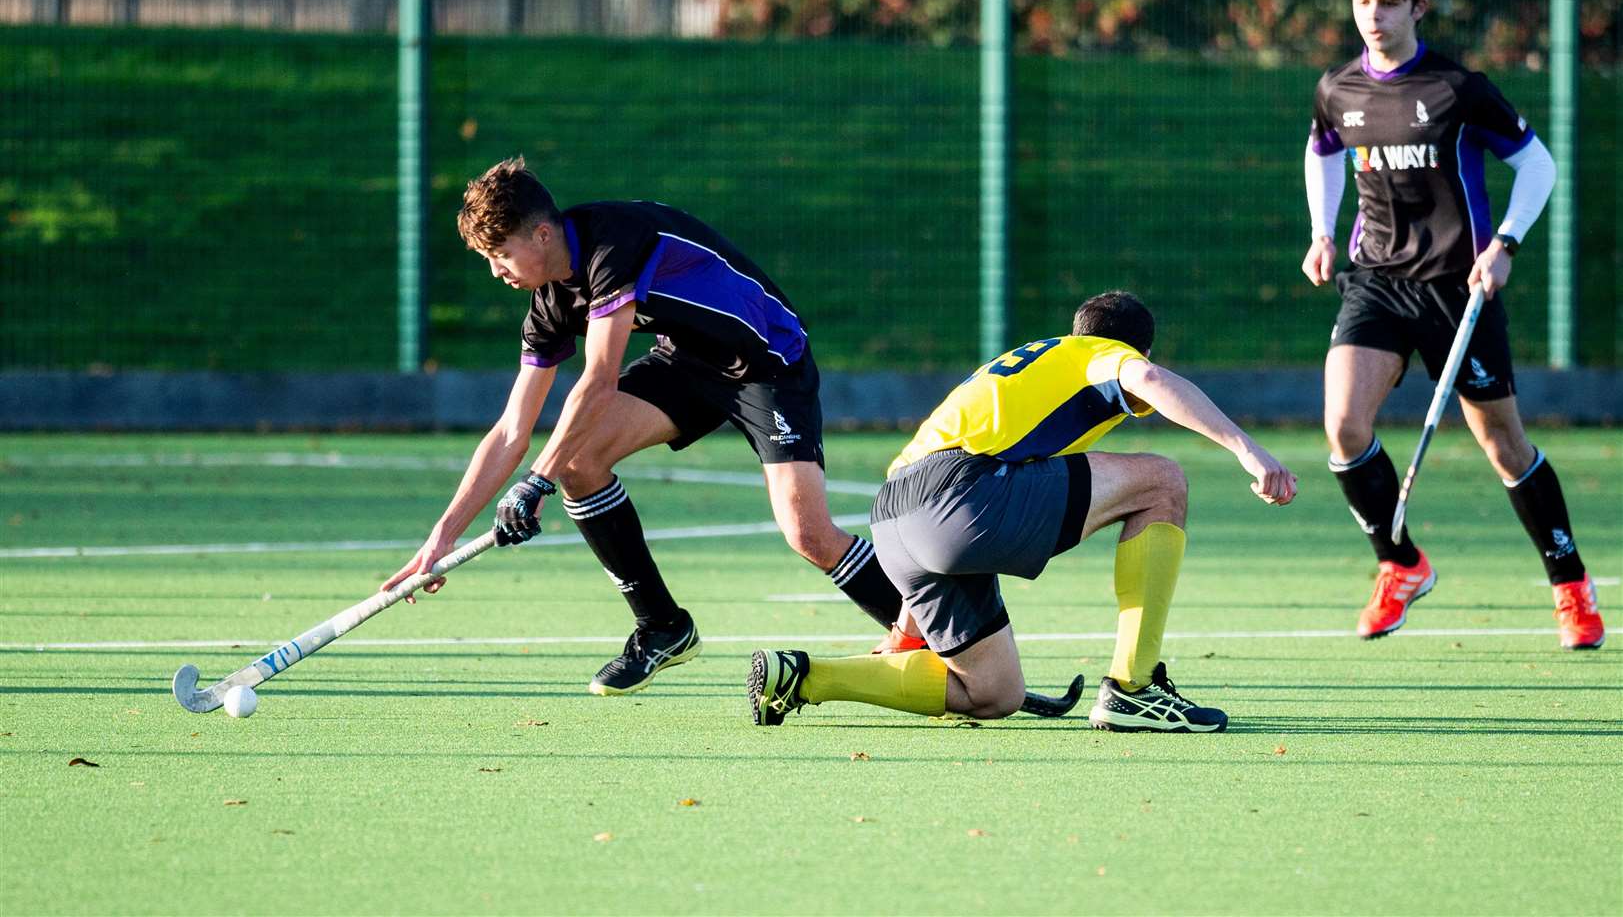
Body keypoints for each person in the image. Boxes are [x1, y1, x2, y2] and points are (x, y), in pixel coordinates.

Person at [382, 157, 908, 694]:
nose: (497, 271)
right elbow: (512, 428)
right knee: (579, 463)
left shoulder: (613, 245)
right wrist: (440, 538)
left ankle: (919, 629)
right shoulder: (551, 301)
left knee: (808, 533)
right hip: (684, 362)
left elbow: (598, 381)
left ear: (541, 234)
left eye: (500, 254)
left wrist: (535, 482)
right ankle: (663, 627)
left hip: (768, 362)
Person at [747, 291, 1297, 731]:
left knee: (992, 693)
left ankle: (804, 677)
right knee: (1163, 481)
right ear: (1137, 348)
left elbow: (921, 511)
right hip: (959, 497)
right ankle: (1135, 689)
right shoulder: (1101, 356)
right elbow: (1149, 380)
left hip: (893, 519)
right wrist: (1250, 452)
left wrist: (906, 628)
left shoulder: (1028, 367)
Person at [1300, 0, 1604, 650]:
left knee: (1502, 445)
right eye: (1361, 2)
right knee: (1342, 426)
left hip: (1456, 288)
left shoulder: (1457, 88)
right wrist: (1320, 233)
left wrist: (1504, 245)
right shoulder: (1336, 88)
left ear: (1418, 7)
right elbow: (1321, 151)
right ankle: (1399, 564)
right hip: (1375, 280)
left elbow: (1536, 165)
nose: (1371, 16)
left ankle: (1570, 585)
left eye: (1386, 3)